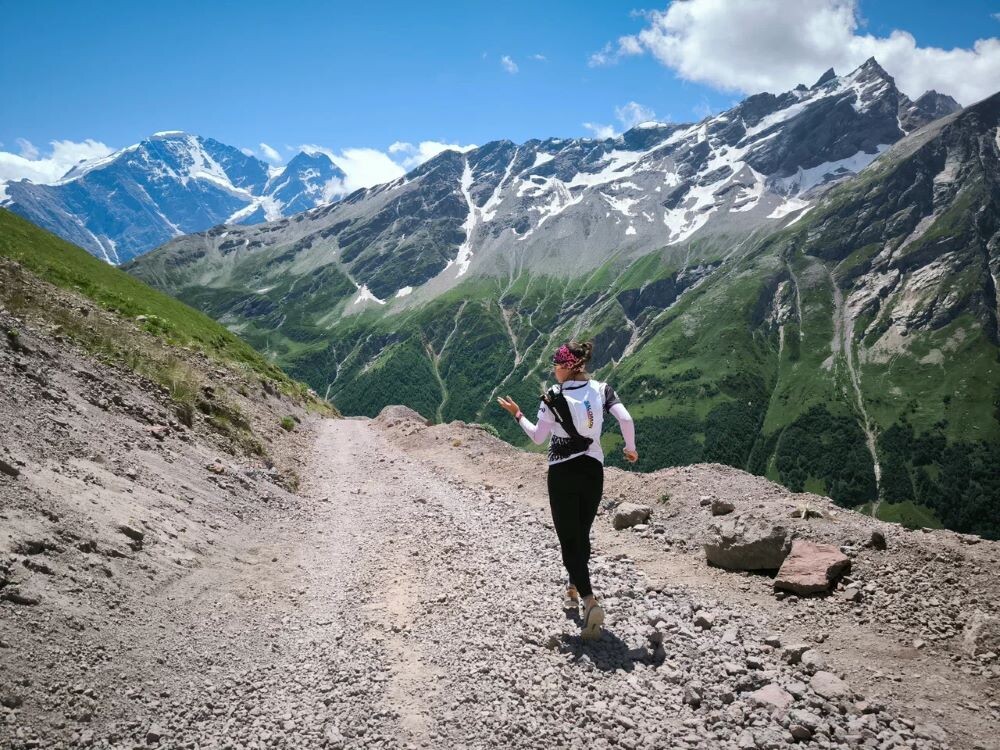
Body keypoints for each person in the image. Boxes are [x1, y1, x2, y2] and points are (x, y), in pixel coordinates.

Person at [497, 340, 638, 640]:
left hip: (562, 473)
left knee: (568, 539)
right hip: (593, 471)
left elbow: (538, 439)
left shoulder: (552, 396)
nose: (553, 371)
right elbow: (626, 419)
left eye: (555, 366)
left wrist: (518, 414)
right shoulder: (603, 389)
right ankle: (573, 589)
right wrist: (630, 448)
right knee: (582, 534)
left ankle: (588, 600)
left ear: (565, 367)